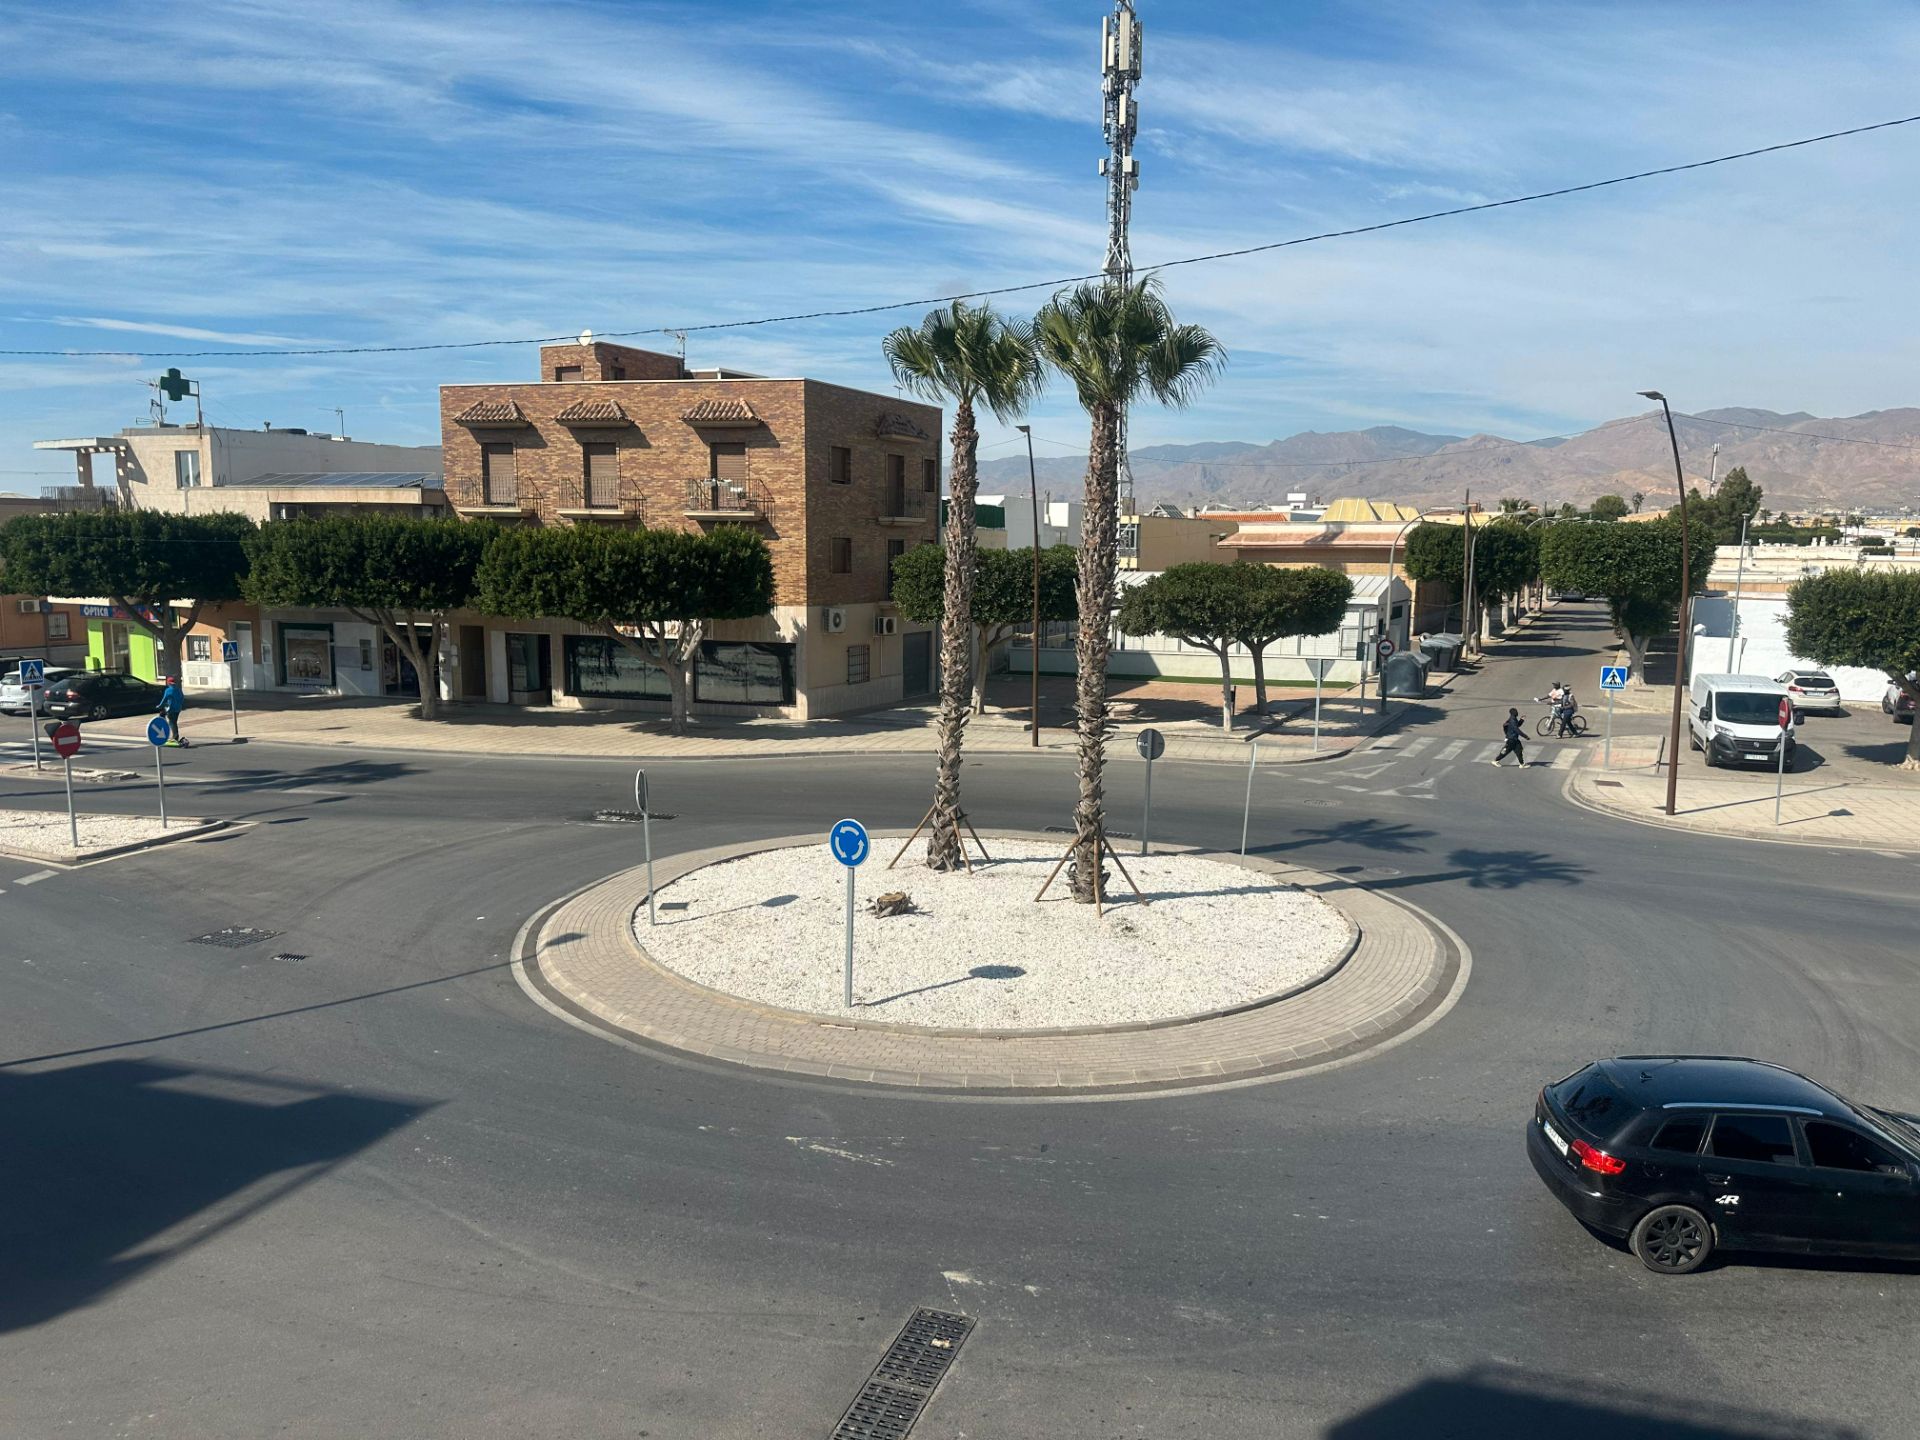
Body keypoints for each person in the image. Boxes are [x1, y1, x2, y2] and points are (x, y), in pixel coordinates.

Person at [156, 674, 188, 747]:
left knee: (171, 722)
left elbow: (164, 700)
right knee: (174, 722)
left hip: (171, 709)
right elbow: (182, 697)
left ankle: (174, 737)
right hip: (178, 709)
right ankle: (175, 736)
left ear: (168, 683)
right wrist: (179, 704)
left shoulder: (168, 690)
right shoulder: (178, 689)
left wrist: (159, 706)